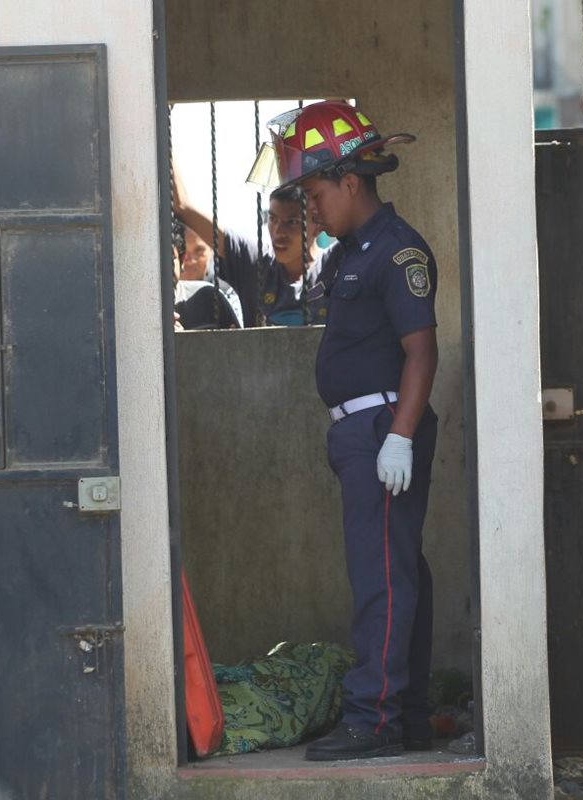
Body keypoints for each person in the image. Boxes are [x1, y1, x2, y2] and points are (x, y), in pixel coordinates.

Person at [247, 100, 438, 761]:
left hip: (385, 428)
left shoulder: (396, 250)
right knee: (396, 570)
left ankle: (374, 719)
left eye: (316, 191)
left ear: (351, 183)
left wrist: (401, 435)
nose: (310, 208)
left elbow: (422, 350)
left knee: (381, 576)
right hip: (365, 433)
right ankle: (407, 716)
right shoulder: (353, 253)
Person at [172, 163, 338, 326]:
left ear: (317, 224)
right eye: (273, 219)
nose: (279, 232)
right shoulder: (256, 264)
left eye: (292, 222)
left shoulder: (336, 263)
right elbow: (182, 206)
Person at [169, 218, 241, 330]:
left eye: (170, 257)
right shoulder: (133, 308)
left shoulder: (212, 298)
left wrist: (183, 341)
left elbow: (238, 345)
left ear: (181, 260)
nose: (191, 260)